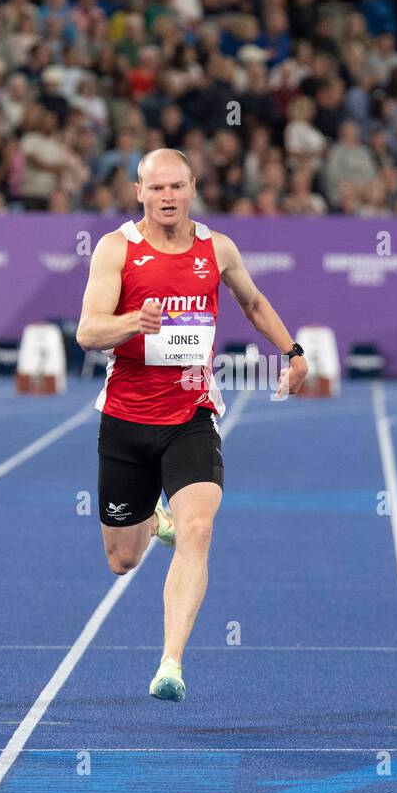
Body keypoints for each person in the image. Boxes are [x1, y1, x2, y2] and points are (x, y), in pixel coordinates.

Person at [76, 148, 308, 702]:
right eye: (156, 189)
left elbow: (252, 302)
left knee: (200, 528)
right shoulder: (116, 250)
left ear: (193, 188)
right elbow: (87, 332)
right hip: (126, 418)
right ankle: (155, 524)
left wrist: (292, 351)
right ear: (139, 192)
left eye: (176, 187)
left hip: (191, 414)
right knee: (122, 559)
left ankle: (171, 664)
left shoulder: (216, 248)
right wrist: (136, 319)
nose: (167, 197)